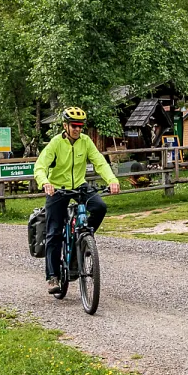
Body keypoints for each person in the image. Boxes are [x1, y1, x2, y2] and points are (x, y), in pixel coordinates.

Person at [35, 106, 120, 294]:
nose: (77, 129)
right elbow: (40, 166)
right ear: (65, 126)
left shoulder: (85, 141)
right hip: (57, 188)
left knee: (100, 206)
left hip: (79, 185)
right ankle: (53, 276)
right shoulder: (56, 143)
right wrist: (45, 183)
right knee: (54, 232)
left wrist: (112, 180)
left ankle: (83, 238)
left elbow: (99, 161)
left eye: (80, 126)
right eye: (74, 125)